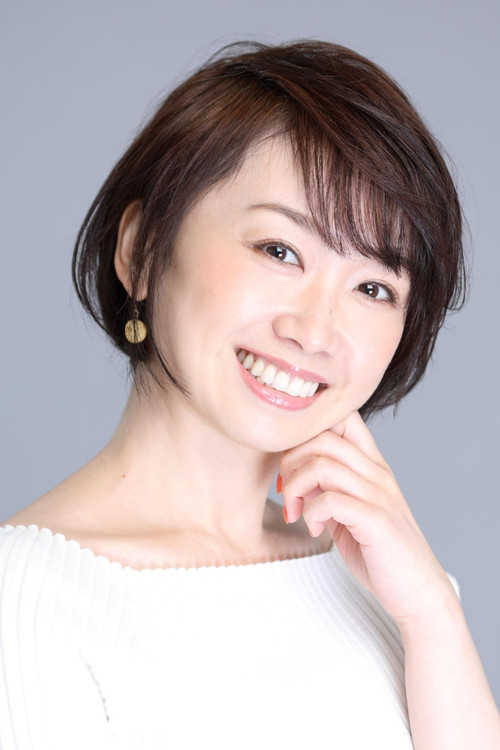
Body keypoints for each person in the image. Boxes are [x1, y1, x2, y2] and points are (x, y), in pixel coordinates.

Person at [0, 40, 498, 749]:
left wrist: (432, 613)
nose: (316, 331)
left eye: (373, 288)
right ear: (142, 250)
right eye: (279, 251)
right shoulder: (26, 600)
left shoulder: (389, 582)